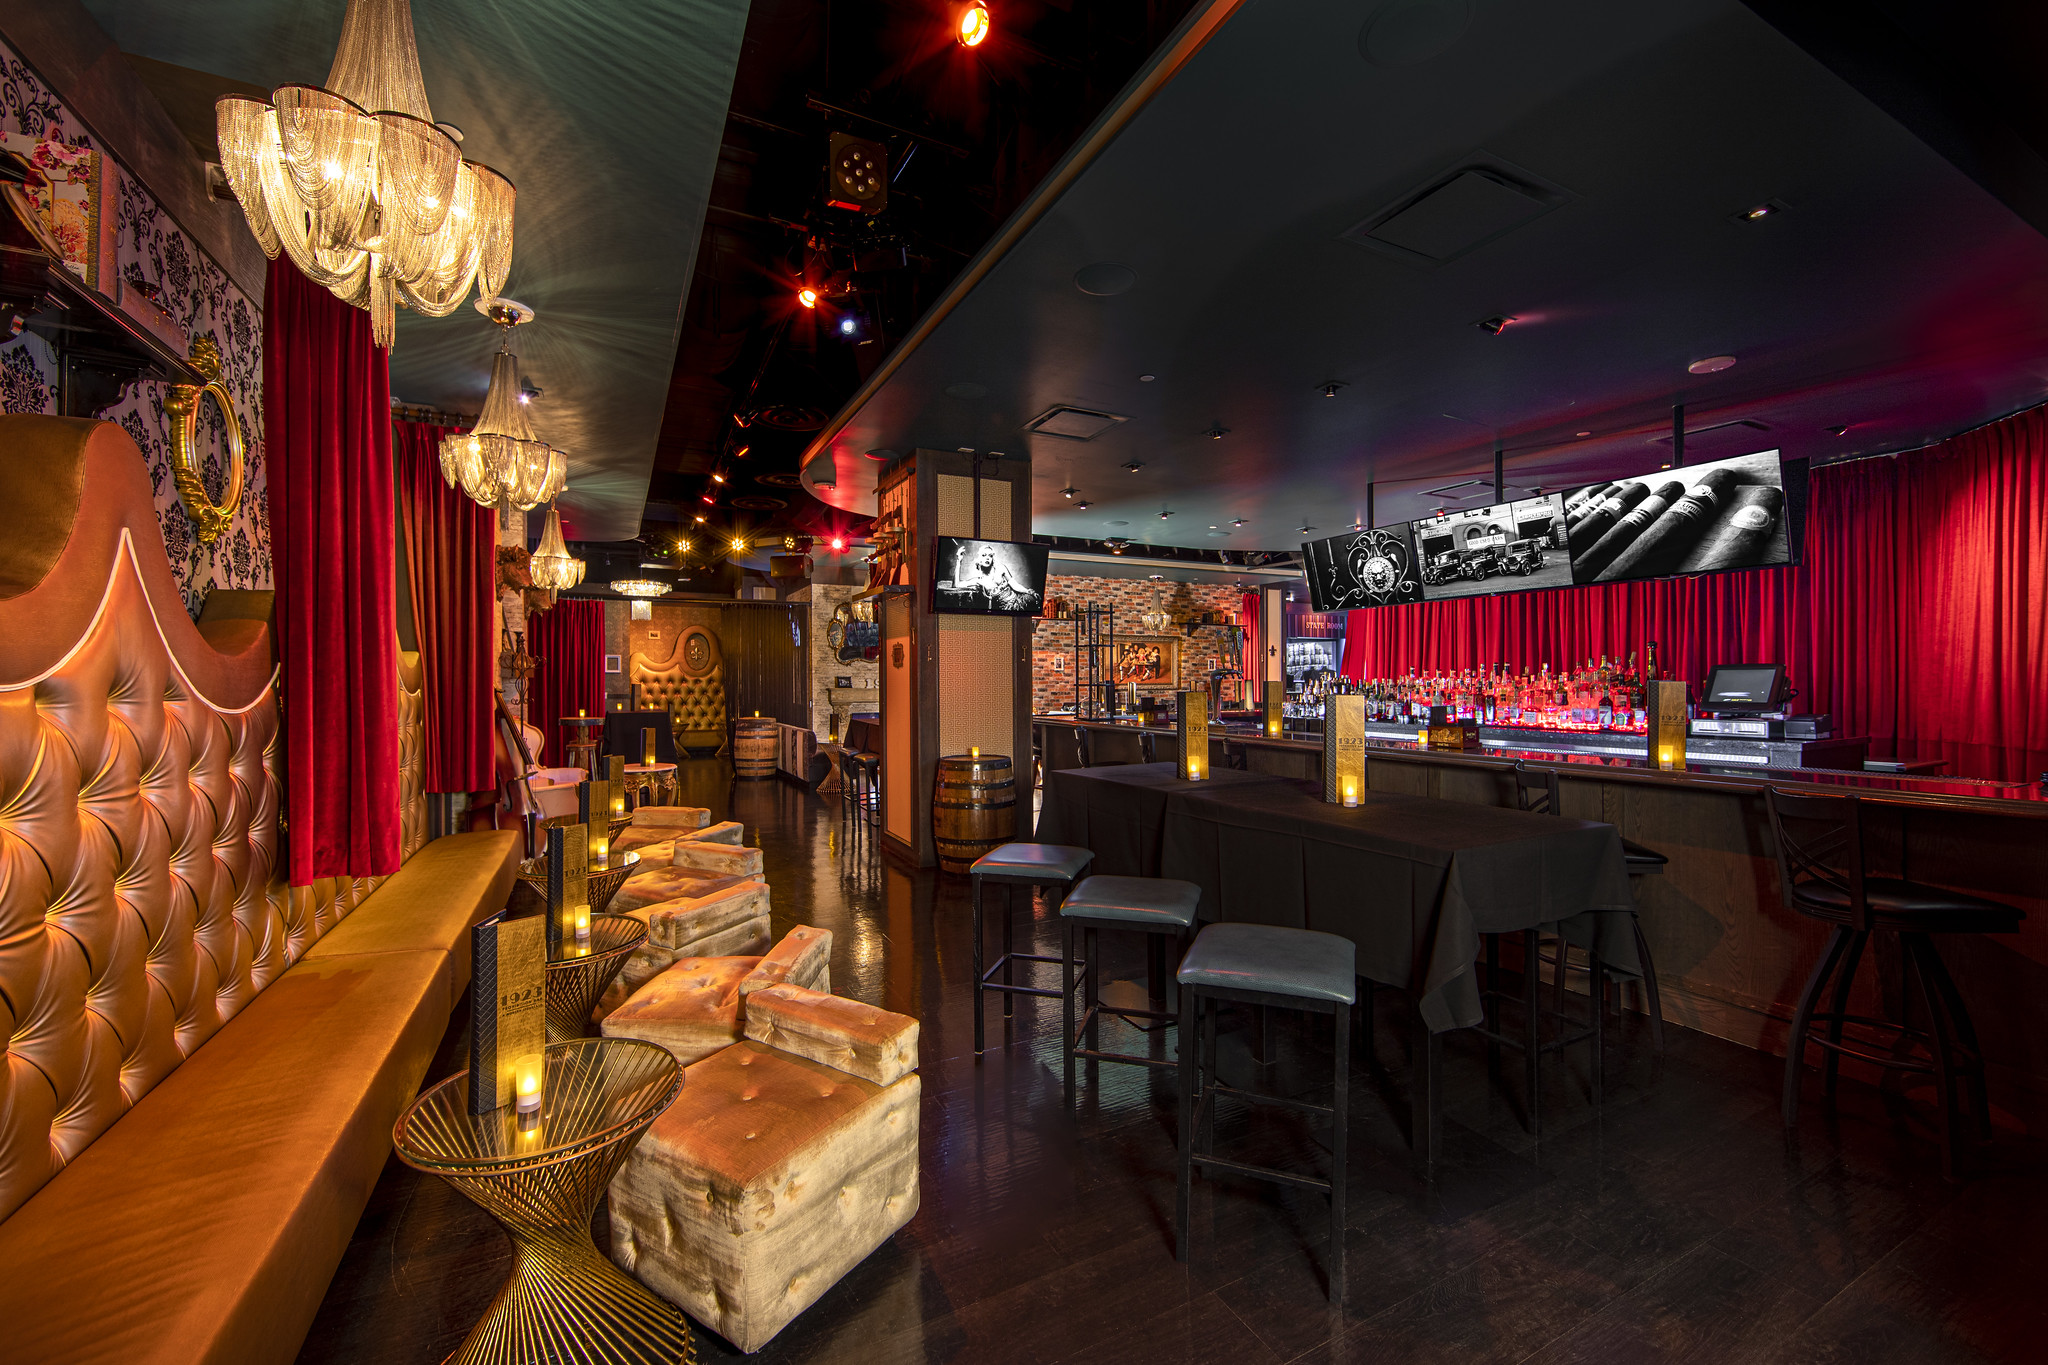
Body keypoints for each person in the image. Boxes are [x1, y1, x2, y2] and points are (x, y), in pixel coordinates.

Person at [955, 543, 1037, 611]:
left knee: (1033, 600)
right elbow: (957, 585)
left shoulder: (1001, 568)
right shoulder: (978, 581)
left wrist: (1029, 591)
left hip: (1018, 602)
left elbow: (1015, 585)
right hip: (1004, 611)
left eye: (990, 556)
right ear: (979, 560)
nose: (987, 558)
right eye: (984, 555)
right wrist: (959, 561)